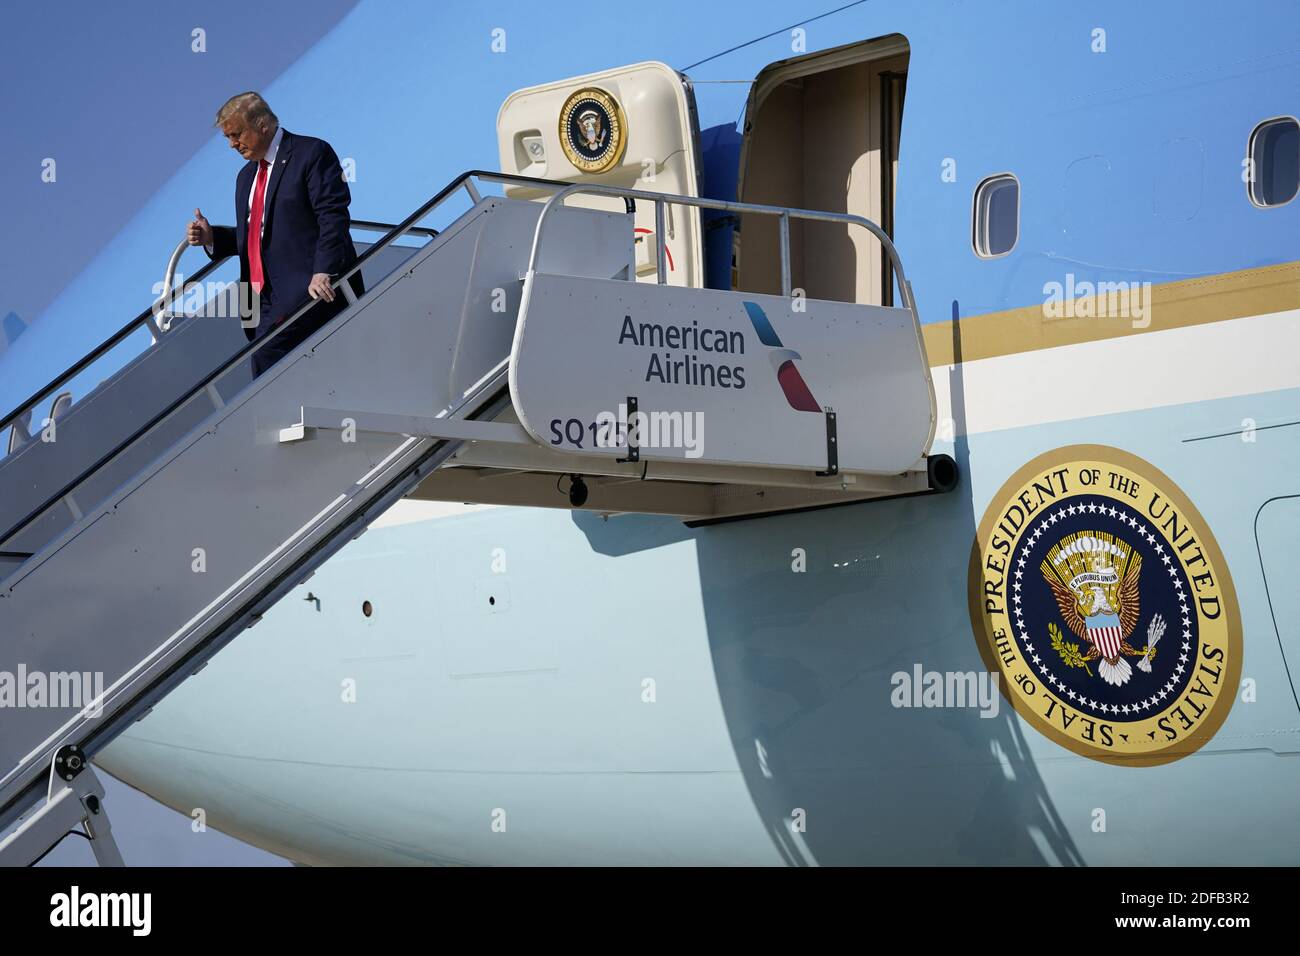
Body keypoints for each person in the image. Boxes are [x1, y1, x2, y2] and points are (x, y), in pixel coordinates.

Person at [187, 92, 363, 377]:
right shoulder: (245, 178)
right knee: (268, 358)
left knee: (267, 354)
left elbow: (333, 216)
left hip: (313, 287)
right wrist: (212, 238)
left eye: (237, 134)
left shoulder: (311, 153)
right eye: (228, 138)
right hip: (262, 304)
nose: (233, 144)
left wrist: (324, 271)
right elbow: (258, 237)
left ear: (263, 125)